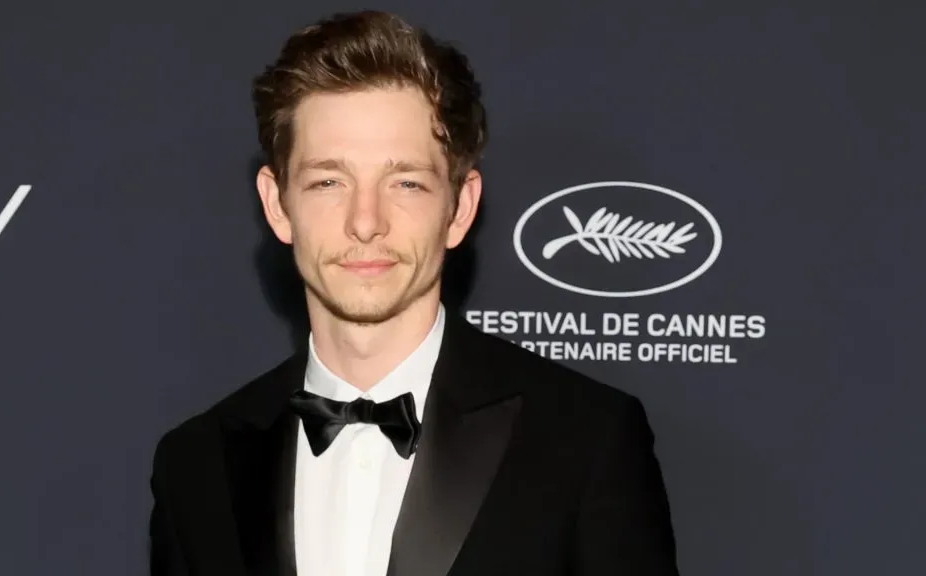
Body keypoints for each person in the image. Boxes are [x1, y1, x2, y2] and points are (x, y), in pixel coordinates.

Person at [148, 10, 678, 576]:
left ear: (460, 208)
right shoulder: (195, 465)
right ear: (278, 205)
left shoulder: (585, 440)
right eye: (329, 181)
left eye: (405, 182)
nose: (366, 221)